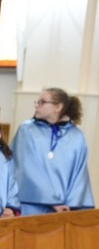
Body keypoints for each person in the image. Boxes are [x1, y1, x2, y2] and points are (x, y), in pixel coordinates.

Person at [11, 87, 94, 215]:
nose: (37, 106)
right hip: (33, 204)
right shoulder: (27, 130)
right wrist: (53, 202)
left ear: (58, 107)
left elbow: (80, 173)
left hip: (67, 210)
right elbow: (26, 168)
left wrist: (70, 204)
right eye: (37, 101)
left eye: (42, 102)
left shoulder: (77, 135)